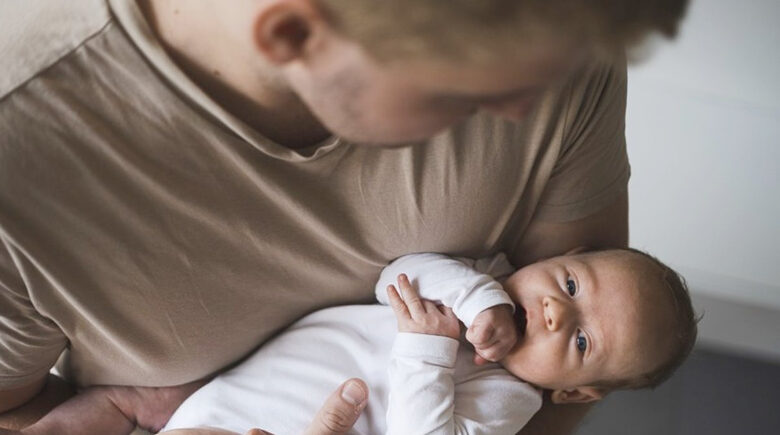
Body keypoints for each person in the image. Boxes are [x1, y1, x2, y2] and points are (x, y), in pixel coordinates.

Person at [0, 0, 689, 433]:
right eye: (474, 88)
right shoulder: (23, 158)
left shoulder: (547, 31)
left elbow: (576, 374)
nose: (521, 111)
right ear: (294, 31)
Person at [9, 249, 697, 434]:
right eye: (571, 286)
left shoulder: (508, 401)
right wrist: (474, 295)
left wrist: (428, 350)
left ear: (573, 392)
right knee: (133, 395)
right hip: (210, 395)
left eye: (580, 342)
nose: (551, 313)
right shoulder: (479, 274)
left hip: (276, 427)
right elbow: (394, 276)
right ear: (565, 255)